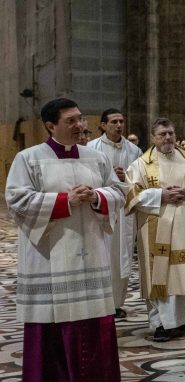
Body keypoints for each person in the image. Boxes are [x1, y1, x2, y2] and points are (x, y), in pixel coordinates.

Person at [5, 98, 125, 381]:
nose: (80, 126)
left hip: (91, 254)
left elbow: (119, 191)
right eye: (70, 121)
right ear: (50, 126)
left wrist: (97, 196)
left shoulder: (96, 158)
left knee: (94, 327)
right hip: (49, 260)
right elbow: (17, 200)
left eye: (81, 119)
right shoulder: (29, 158)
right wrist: (64, 201)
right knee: (52, 332)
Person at [125, 117, 185, 342]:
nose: (168, 138)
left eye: (171, 134)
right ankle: (161, 324)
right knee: (161, 274)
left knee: (183, 272)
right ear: (153, 138)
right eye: (162, 134)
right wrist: (160, 195)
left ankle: (183, 319)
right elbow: (131, 193)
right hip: (157, 225)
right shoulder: (141, 164)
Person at [87, 108, 143, 318]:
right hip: (101, 209)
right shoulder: (92, 148)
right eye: (113, 122)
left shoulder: (133, 151)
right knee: (102, 254)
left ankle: (117, 303)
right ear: (103, 125)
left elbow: (139, 180)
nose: (119, 125)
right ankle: (99, 301)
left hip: (124, 210)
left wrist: (125, 176)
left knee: (122, 255)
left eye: (121, 121)